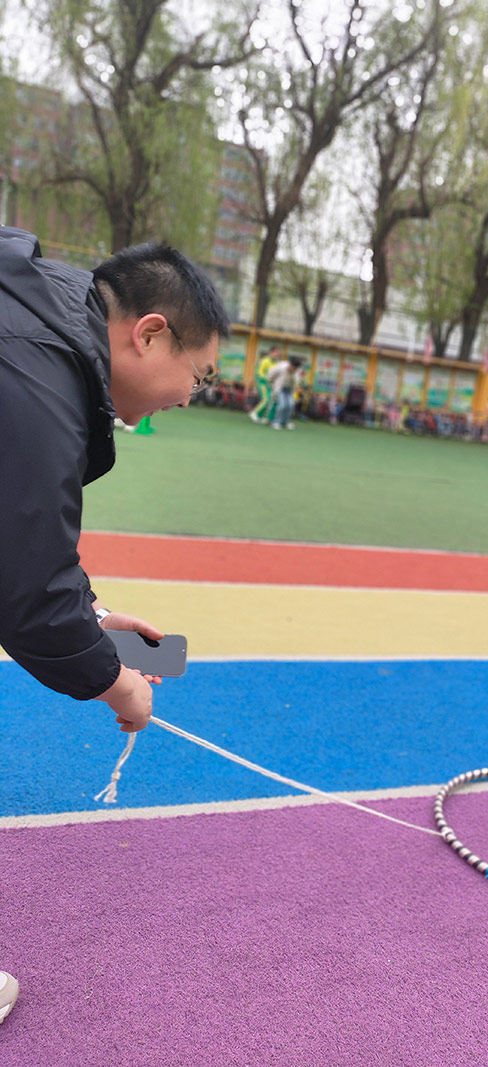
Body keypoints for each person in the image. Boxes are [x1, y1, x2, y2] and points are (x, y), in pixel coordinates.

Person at [0, 227, 229, 1023]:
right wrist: (112, 678)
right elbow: (26, 589)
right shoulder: (35, 373)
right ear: (150, 333)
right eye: (196, 374)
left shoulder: (34, 330)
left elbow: (16, 541)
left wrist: (91, 614)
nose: (190, 395)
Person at [268, 354, 304, 430]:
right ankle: (276, 422)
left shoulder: (297, 371)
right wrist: (271, 381)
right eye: (294, 367)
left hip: (289, 389)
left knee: (290, 404)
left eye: (296, 368)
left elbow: (297, 381)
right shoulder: (281, 367)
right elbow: (271, 373)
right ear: (290, 365)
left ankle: (286, 422)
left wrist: (296, 382)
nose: (295, 369)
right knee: (282, 405)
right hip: (280, 388)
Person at [249, 345, 281, 424]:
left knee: (270, 400)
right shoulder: (265, 361)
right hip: (262, 382)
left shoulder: (277, 363)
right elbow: (260, 372)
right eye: (275, 352)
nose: (277, 354)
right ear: (271, 352)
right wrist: (266, 379)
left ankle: (260, 416)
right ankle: (254, 413)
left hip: (271, 385)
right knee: (266, 399)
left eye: (278, 353)